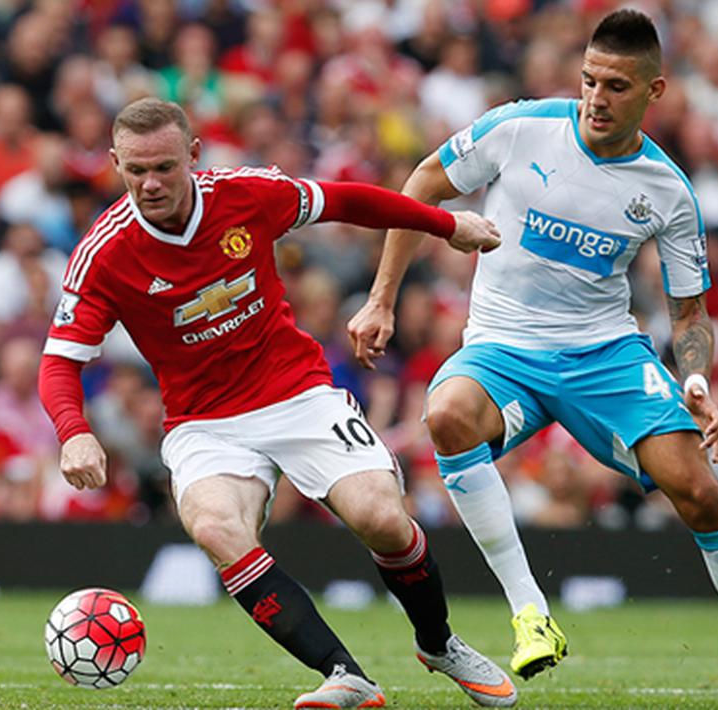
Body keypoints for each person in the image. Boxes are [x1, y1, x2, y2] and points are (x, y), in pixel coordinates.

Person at [347, 10, 718, 709]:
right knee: (446, 415)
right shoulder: (518, 128)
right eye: (588, 80)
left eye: (615, 86)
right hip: (502, 347)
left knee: (697, 492)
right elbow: (422, 183)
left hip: (602, 353)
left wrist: (694, 378)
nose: (596, 98)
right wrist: (382, 300)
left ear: (653, 91)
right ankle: (528, 612)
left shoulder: (666, 190)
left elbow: (689, 315)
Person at [37, 98, 516, 710]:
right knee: (215, 526)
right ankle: (345, 676)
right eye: (134, 171)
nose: (149, 184)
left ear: (193, 155)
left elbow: (348, 200)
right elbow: (59, 361)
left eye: (162, 167)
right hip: (203, 422)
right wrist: (73, 430)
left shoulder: (247, 194)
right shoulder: (104, 253)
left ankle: (439, 643)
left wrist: (446, 226)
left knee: (383, 519)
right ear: (115, 164)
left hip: (296, 392)